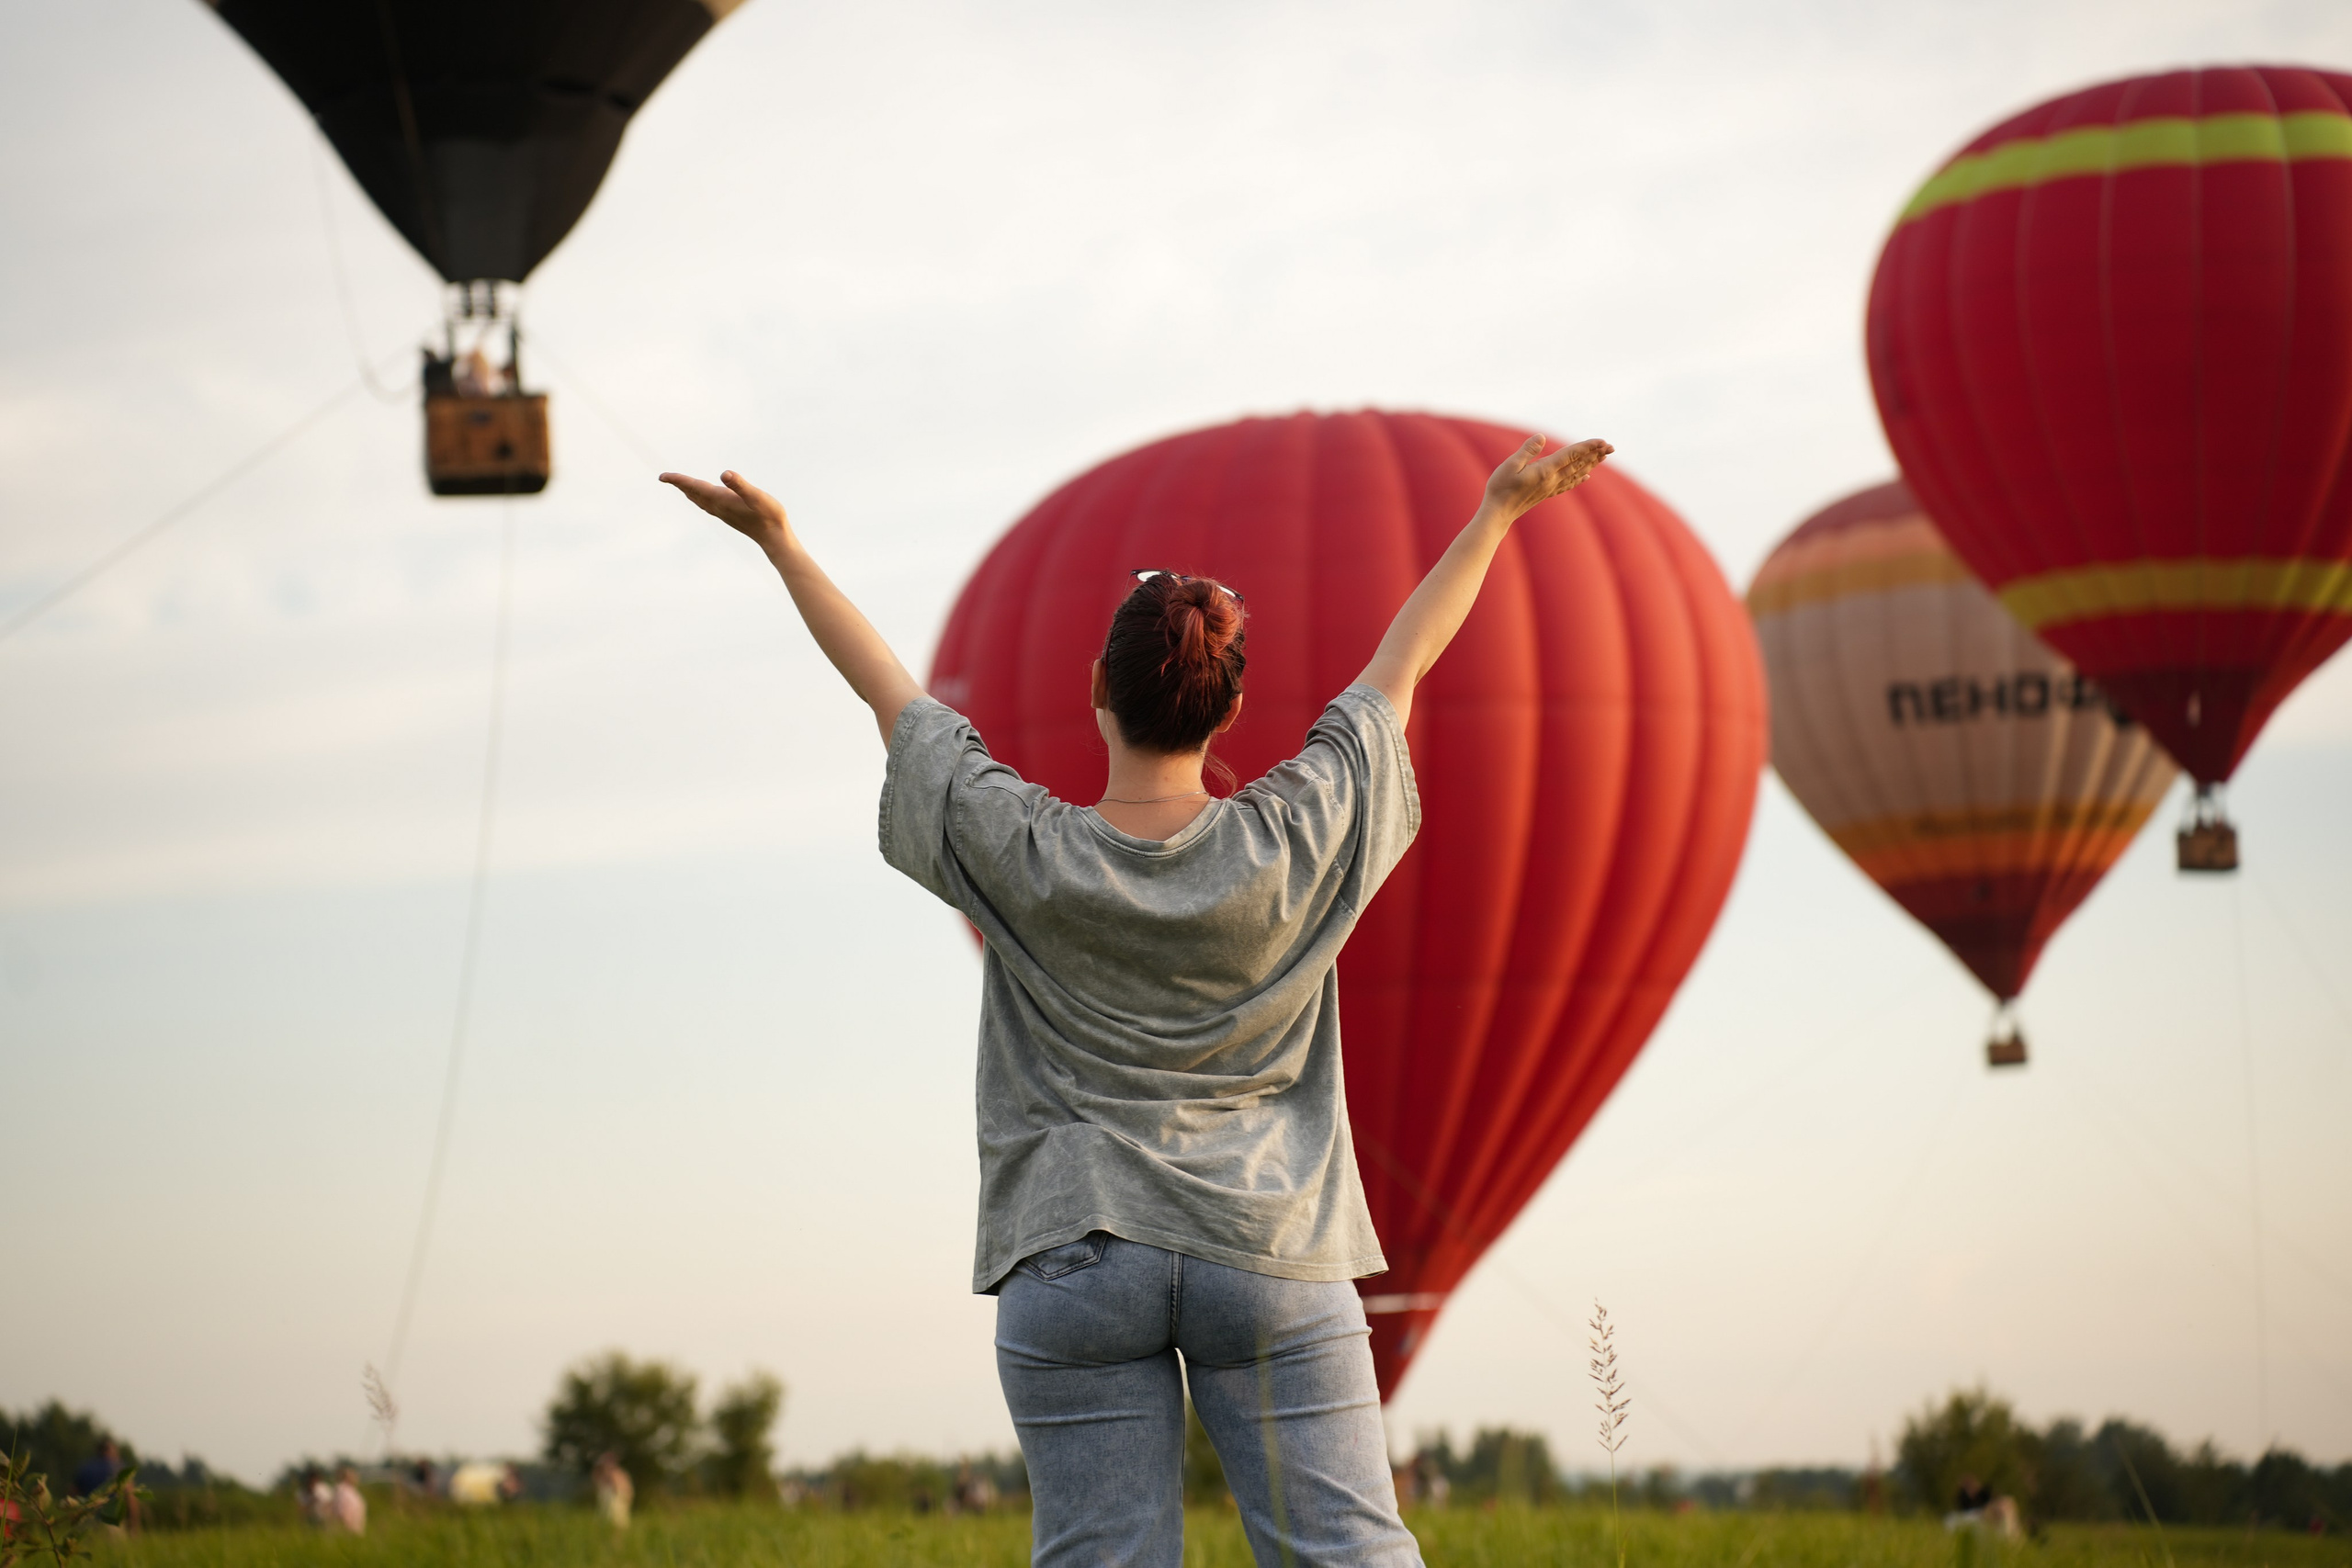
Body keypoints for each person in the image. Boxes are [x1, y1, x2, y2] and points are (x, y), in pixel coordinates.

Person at [661, 430, 1611, 1568]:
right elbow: (1397, 669)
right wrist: (1495, 514)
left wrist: (781, 546)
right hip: (1270, 1245)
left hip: (1073, 1249)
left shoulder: (1022, 846)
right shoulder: (1294, 834)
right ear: (1232, 704)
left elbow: (890, 696)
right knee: (1353, 1553)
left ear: (1096, 691)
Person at [592, 1451, 633, 1529]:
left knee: (617, 1522)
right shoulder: (607, 1475)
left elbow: (626, 1490)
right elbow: (596, 1481)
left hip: (616, 1501)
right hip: (611, 1501)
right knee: (609, 1522)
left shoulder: (618, 1474)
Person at [331, 1466, 368, 1535]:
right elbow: (341, 1512)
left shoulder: (349, 1491)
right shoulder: (341, 1492)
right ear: (346, 1478)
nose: (356, 1477)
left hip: (353, 1530)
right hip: (348, 1532)